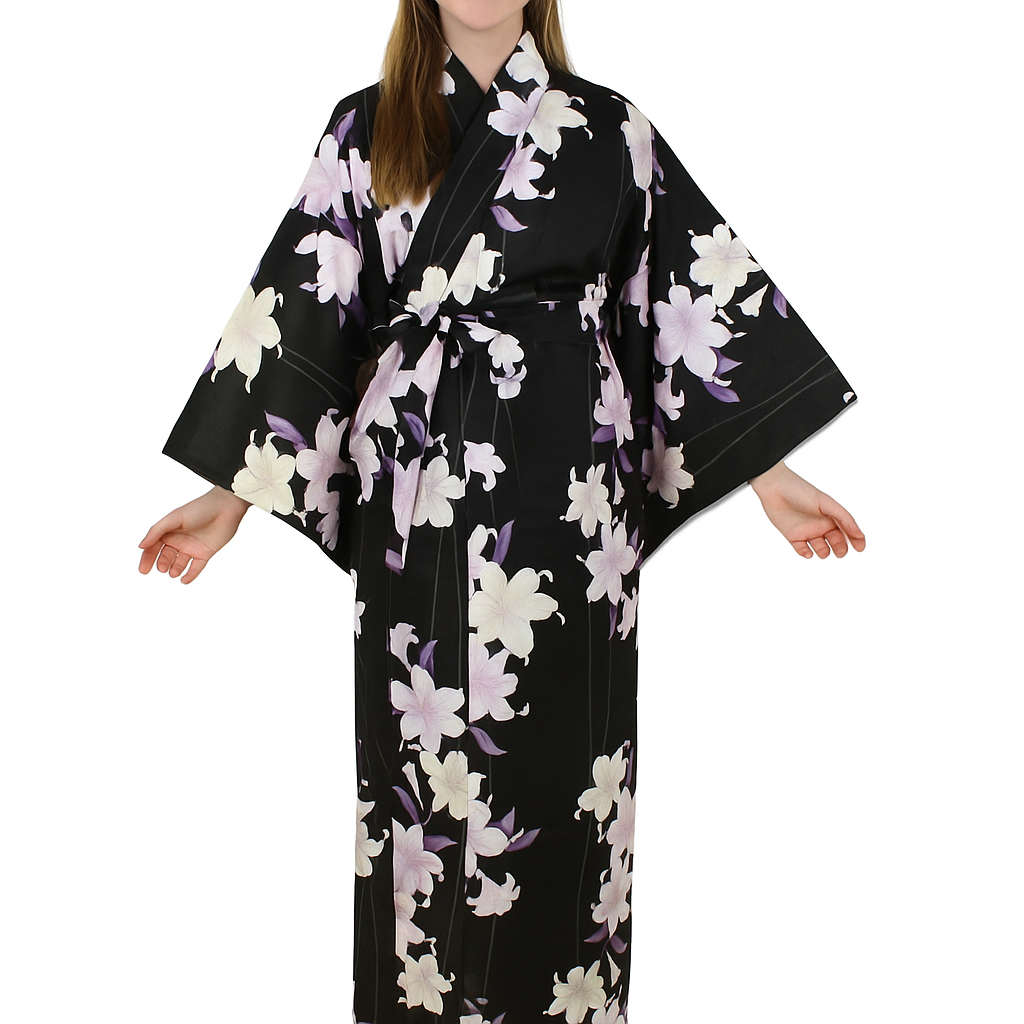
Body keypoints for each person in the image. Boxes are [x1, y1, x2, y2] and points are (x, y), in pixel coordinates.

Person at [139, 1, 865, 1020]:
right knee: (422, 771)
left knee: (567, 764)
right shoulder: (365, 126)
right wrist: (229, 496)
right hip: (419, 502)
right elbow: (311, 305)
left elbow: (674, 310)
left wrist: (770, 478)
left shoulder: (612, 130)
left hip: (572, 504)